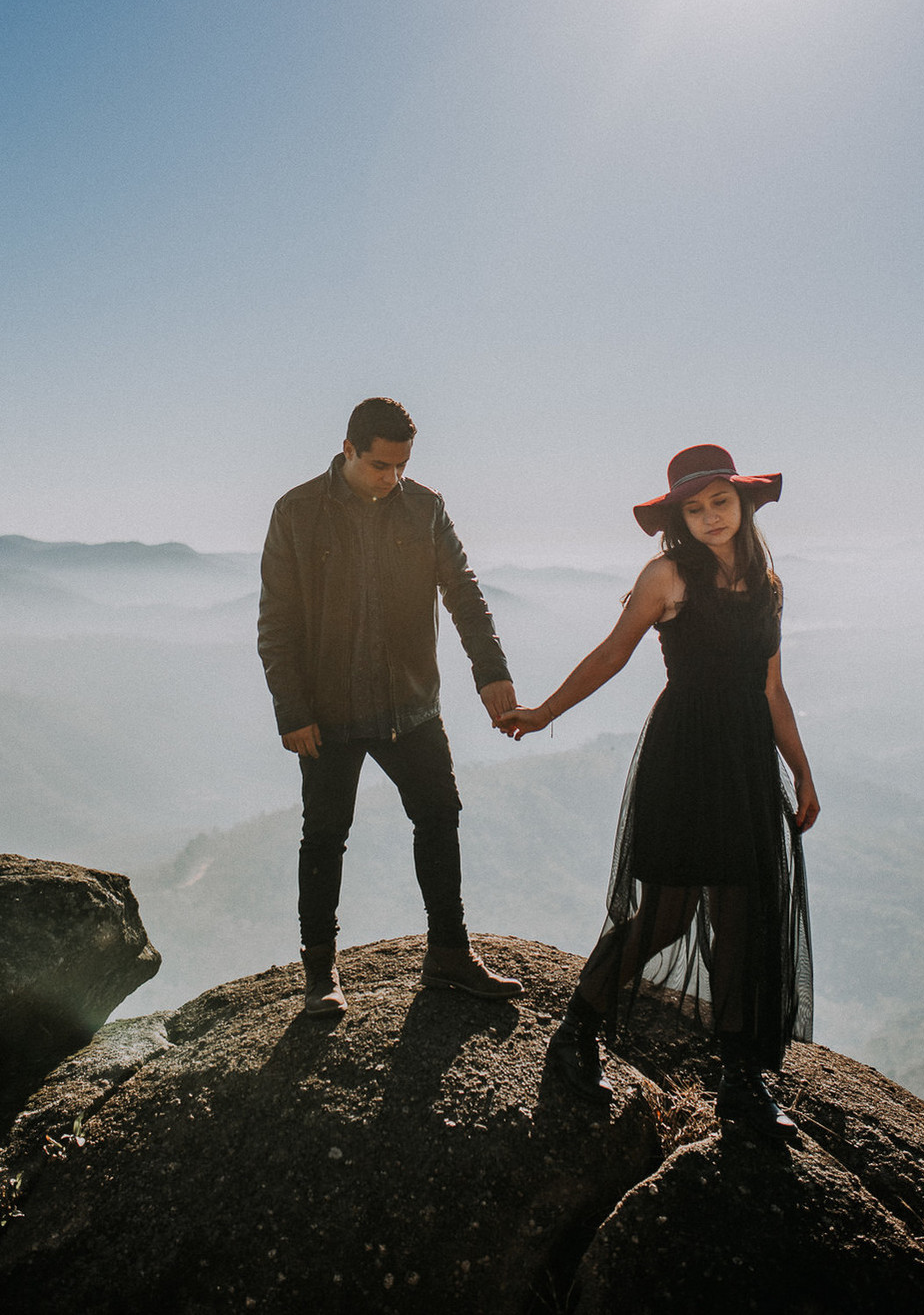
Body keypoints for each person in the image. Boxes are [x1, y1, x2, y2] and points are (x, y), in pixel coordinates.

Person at [496, 444, 818, 1138]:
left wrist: (802, 770)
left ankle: (740, 1081)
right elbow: (614, 653)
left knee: (739, 915)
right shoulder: (666, 575)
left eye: (719, 503)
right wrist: (544, 713)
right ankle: (577, 1031)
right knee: (668, 914)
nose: (709, 518)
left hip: (743, 763)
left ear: (745, 503)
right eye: (693, 509)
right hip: (684, 755)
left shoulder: (768, 583)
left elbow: (771, 689)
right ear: (678, 518)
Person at [258, 396, 524, 1016]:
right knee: (324, 836)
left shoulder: (425, 508)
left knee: (439, 816)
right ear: (349, 449)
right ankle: (320, 974)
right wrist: (292, 711)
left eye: (402, 466)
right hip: (329, 711)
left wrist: (491, 673)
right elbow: (277, 622)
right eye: (381, 465)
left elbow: (463, 591)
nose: (392, 478)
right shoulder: (296, 512)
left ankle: (450, 957)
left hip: (411, 705)